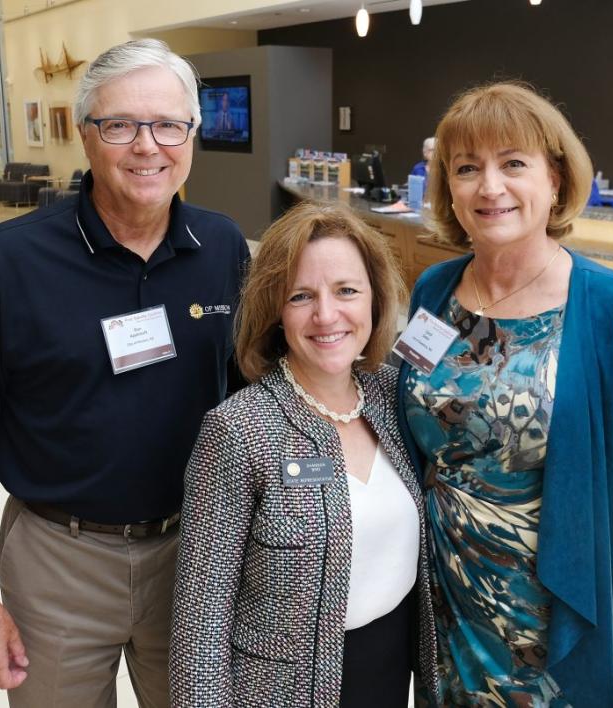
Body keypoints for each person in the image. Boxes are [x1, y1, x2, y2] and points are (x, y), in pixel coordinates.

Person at [0, 39, 248, 707]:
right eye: (121, 125)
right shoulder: (9, 262)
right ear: (87, 134)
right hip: (58, 559)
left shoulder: (222, 247)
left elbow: (256, 401)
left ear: (192, 134)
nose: (147, 147)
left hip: (196, 553)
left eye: (168, 125)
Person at [397, 82, 613, 707]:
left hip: (561, 624)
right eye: (467, 168)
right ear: (448, 189)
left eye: (514, 163)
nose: (490, 186)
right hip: (446, 610)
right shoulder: (435, 292)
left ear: (555, 180)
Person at [169, 201, 438, 707]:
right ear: (275, 311)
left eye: (347, 291)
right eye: (301, 296)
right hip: (282, 692)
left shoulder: (392, 395)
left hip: (389, 671)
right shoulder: (239, 429)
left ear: (376, 300)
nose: (326, 315)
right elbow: (199, 621)